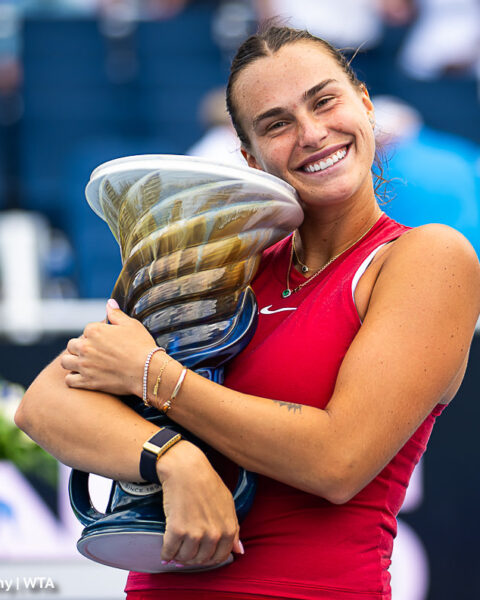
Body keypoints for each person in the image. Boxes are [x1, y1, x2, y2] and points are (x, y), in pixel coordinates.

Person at [15, 25, 480, 600]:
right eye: (276, 123)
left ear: (363, 102)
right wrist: (172, 457)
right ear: (249, 156)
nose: (312, 133)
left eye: (324, 100)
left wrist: (155, 376)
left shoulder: (427, 257)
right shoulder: (220, 261)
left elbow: (336, 461)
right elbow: (44, 405)